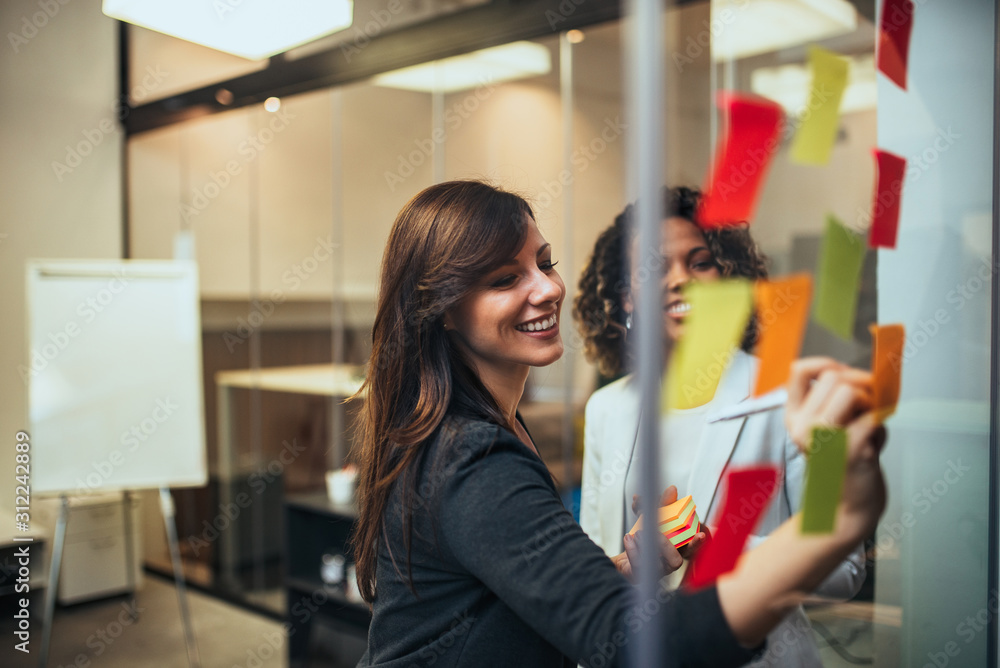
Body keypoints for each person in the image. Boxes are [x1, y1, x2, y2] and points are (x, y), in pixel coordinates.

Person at [351, 179, 885, 667]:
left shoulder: (788, 392)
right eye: (505, 278)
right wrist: (843, 518)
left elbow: (542, 583)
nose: (547, 289)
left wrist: (626, 569)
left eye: (546, 262)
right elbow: (627, 638)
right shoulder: (479, 452)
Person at [574, 186, 867, 666]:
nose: (678, 280)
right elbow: (593, 558)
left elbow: (847, 568)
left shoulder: (796, 394)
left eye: (700, 262)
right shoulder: (606, 409)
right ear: (626, 299)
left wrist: (717, 546)